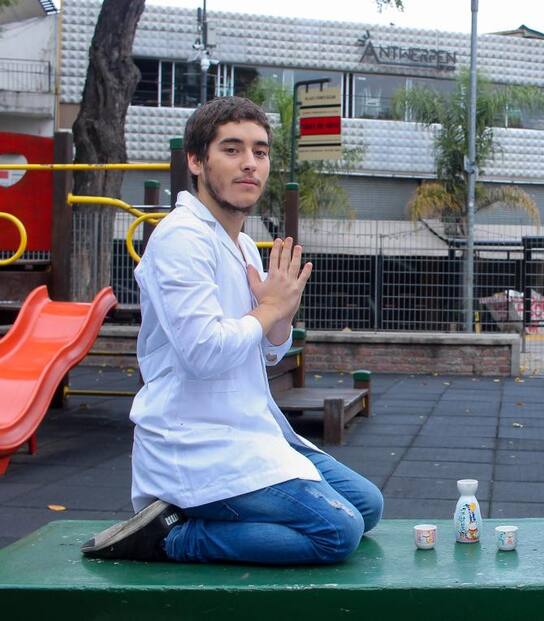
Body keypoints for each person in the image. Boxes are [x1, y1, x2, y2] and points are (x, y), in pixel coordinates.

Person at [82, 97, 383, 565]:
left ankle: (210, 516)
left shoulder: (240, 242)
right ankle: (170, 538)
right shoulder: (181, 239)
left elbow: (264, 352)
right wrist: (268, 309)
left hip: (249, 432)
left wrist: (280, 318)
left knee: (367, 506)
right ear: (197, 161)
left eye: (260, 152)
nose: (250, 164)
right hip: (195, 443)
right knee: (337, 532)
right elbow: (203, 353)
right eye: (232, 149)